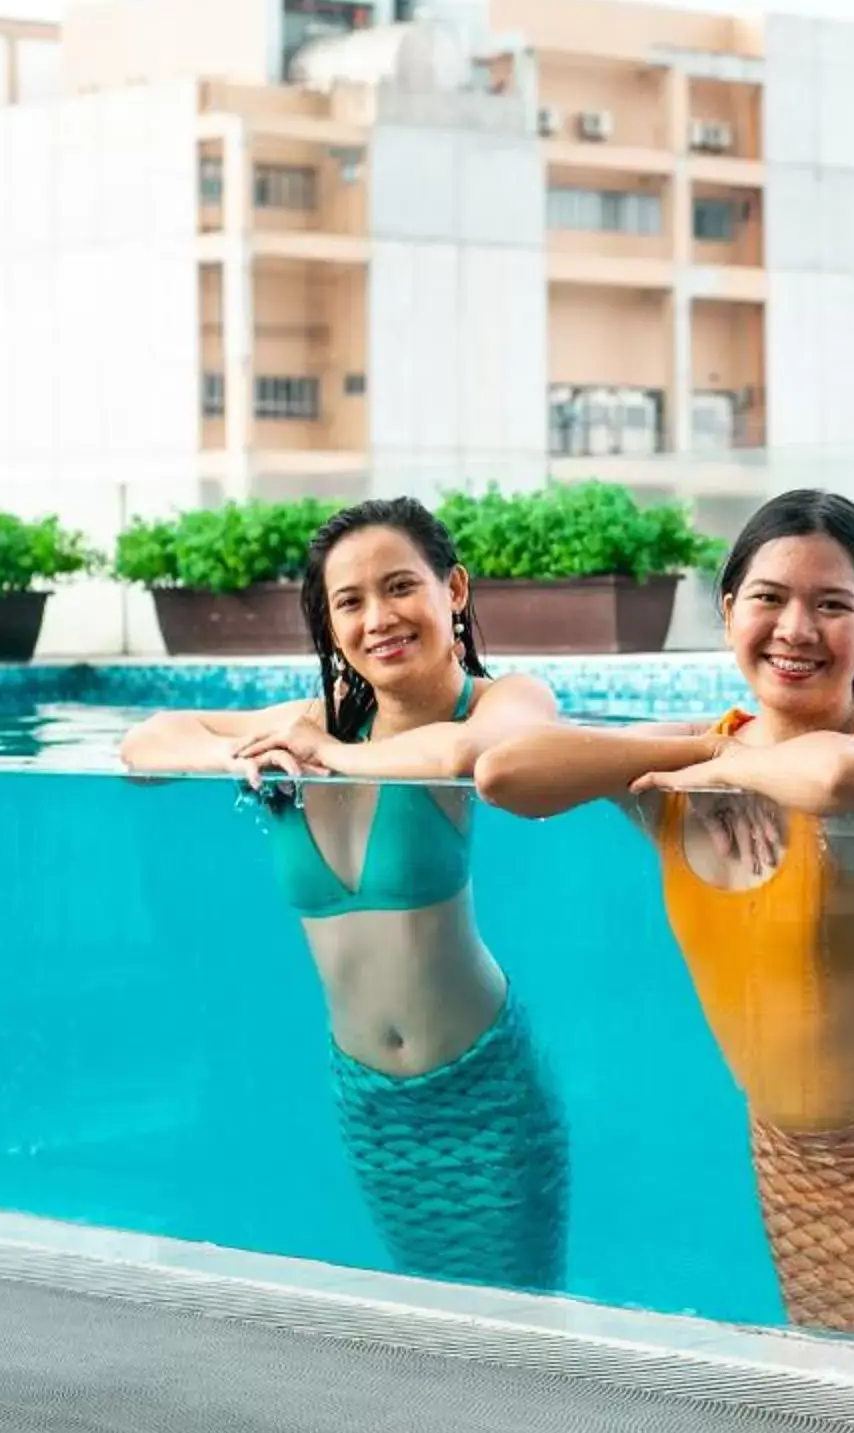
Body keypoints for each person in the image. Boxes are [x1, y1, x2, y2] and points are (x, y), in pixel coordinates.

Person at [473, 489, 854, 1348]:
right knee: (825, 1396)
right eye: (770, 598)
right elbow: (504, 773)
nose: (796, 628)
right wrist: (708, 756)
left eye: (832, 605)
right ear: (728, 612)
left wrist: (732, 766)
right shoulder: (693, 753)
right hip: (784, 1139)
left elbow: (828, 780)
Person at [119, 497, 569, 1290]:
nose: (379, 619)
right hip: (368, 1101)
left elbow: (468, 754)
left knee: (518, 1325)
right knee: (430, 1318)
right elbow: (146, 740)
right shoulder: (311, 723)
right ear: (329, 625)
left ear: (453, 591)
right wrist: (241, 757)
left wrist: (327, 751)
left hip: (486, 1092)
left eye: (400, 587)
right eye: (349, 602)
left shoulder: (502, 699)